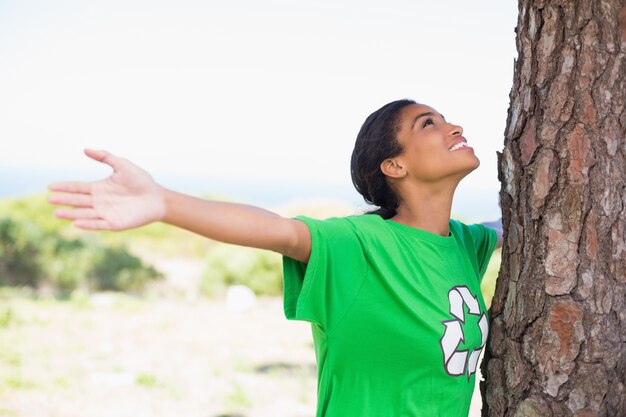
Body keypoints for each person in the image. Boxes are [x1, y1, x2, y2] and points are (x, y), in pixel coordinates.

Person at [48, 99, 503, 417]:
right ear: (394, 165)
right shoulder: (359, 246)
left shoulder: (465, 243)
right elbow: (277, 230)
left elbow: (508, 228)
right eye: (428, 123)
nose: (454, 127)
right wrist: (164, 203)